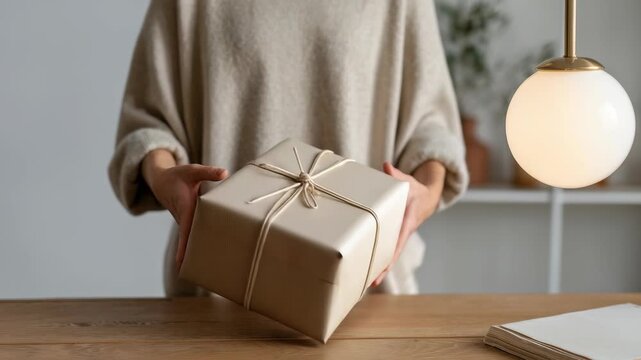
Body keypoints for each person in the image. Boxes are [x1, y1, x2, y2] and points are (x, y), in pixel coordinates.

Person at [109, 0, 468, 297]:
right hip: (218, 298)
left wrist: (425, 192)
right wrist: (161, 175)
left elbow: (431, 132)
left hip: (367, 298)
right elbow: (149, 124)